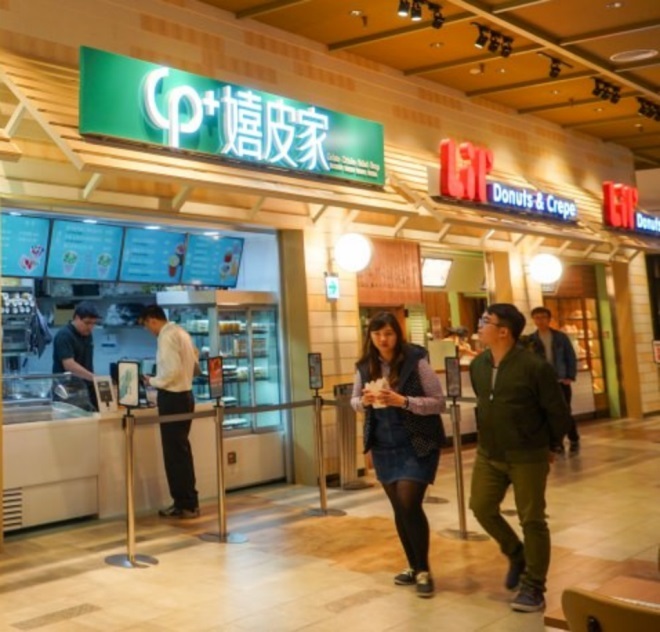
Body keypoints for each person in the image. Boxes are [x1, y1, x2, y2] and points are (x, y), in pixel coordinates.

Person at [469, 303, 569, 613]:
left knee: (532, 519)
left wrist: (552, 445)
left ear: (504, 331)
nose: (479, 325)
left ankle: (534, 586)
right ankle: (516, 552)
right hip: (489, 452)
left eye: (486, 321)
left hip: (527, 454)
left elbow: (557, 411)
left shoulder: (534, 367)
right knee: (481, 507)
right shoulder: (478, 365)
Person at [351, 311, 446, 598]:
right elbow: (354, 400)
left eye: (389, 333)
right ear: (370, 336)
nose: (383, 339)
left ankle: (424, 569)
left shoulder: (416, 361)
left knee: (409, 502)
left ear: (397, 334)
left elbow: (438, 402)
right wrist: (364, 401)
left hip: (416, 443)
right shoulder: (365, 366)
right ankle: (413, 566)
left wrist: (403, 401)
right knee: (400, 508)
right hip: (383, 446)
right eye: (377, 334)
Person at [140, 305, 199, 519]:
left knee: (174, 455)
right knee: (182, 452)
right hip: (187, 396)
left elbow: (171, 371)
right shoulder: (182, 332)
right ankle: (189, 502)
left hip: (173, 398)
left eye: (146, 325)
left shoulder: (166, 337)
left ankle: (184, 504)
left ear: (152, 320)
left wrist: (152, 381)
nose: (148, 330)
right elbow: (195, 362)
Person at [529, 306, 580, 453]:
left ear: (549, 319)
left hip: (561, 379)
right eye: (537, 318)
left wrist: (570, 376)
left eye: (543, 317)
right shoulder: (531, 340)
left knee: (565, 411)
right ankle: (556, 442)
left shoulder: (560, 337)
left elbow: (570, 356)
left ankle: (573, 438)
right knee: (547, 412)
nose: (540, 321)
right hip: (543, 382)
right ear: (533, 320)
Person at [52, 301, 100, 410]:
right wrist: (95, 377)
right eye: (87, 323)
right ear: (77, 318)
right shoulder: (64, 335)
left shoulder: (87, 334)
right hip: (66, 391)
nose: (91, 327)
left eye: (94, 323)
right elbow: (69, 365)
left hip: (84, 388)